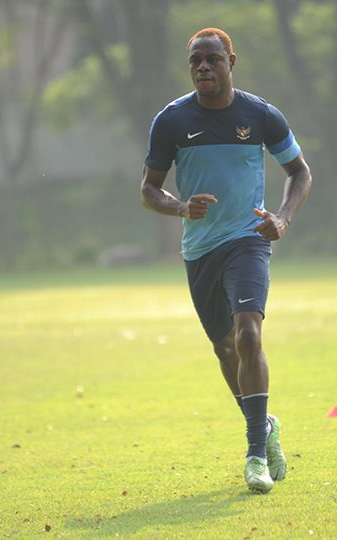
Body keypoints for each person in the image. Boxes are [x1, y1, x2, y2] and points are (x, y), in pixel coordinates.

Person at [139, 27, 312, 493]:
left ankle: (255, 454)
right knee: (225, 349)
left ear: (231, 62)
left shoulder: (259, 115)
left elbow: (299, 172)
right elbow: (149, 190)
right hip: (200, 248)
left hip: (248, 239)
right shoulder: (171, 122)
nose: (203, 67)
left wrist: (283, 218)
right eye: (196, 60)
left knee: (249, 332)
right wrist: (180, 206)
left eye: (212, 59)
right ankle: (265, 427)